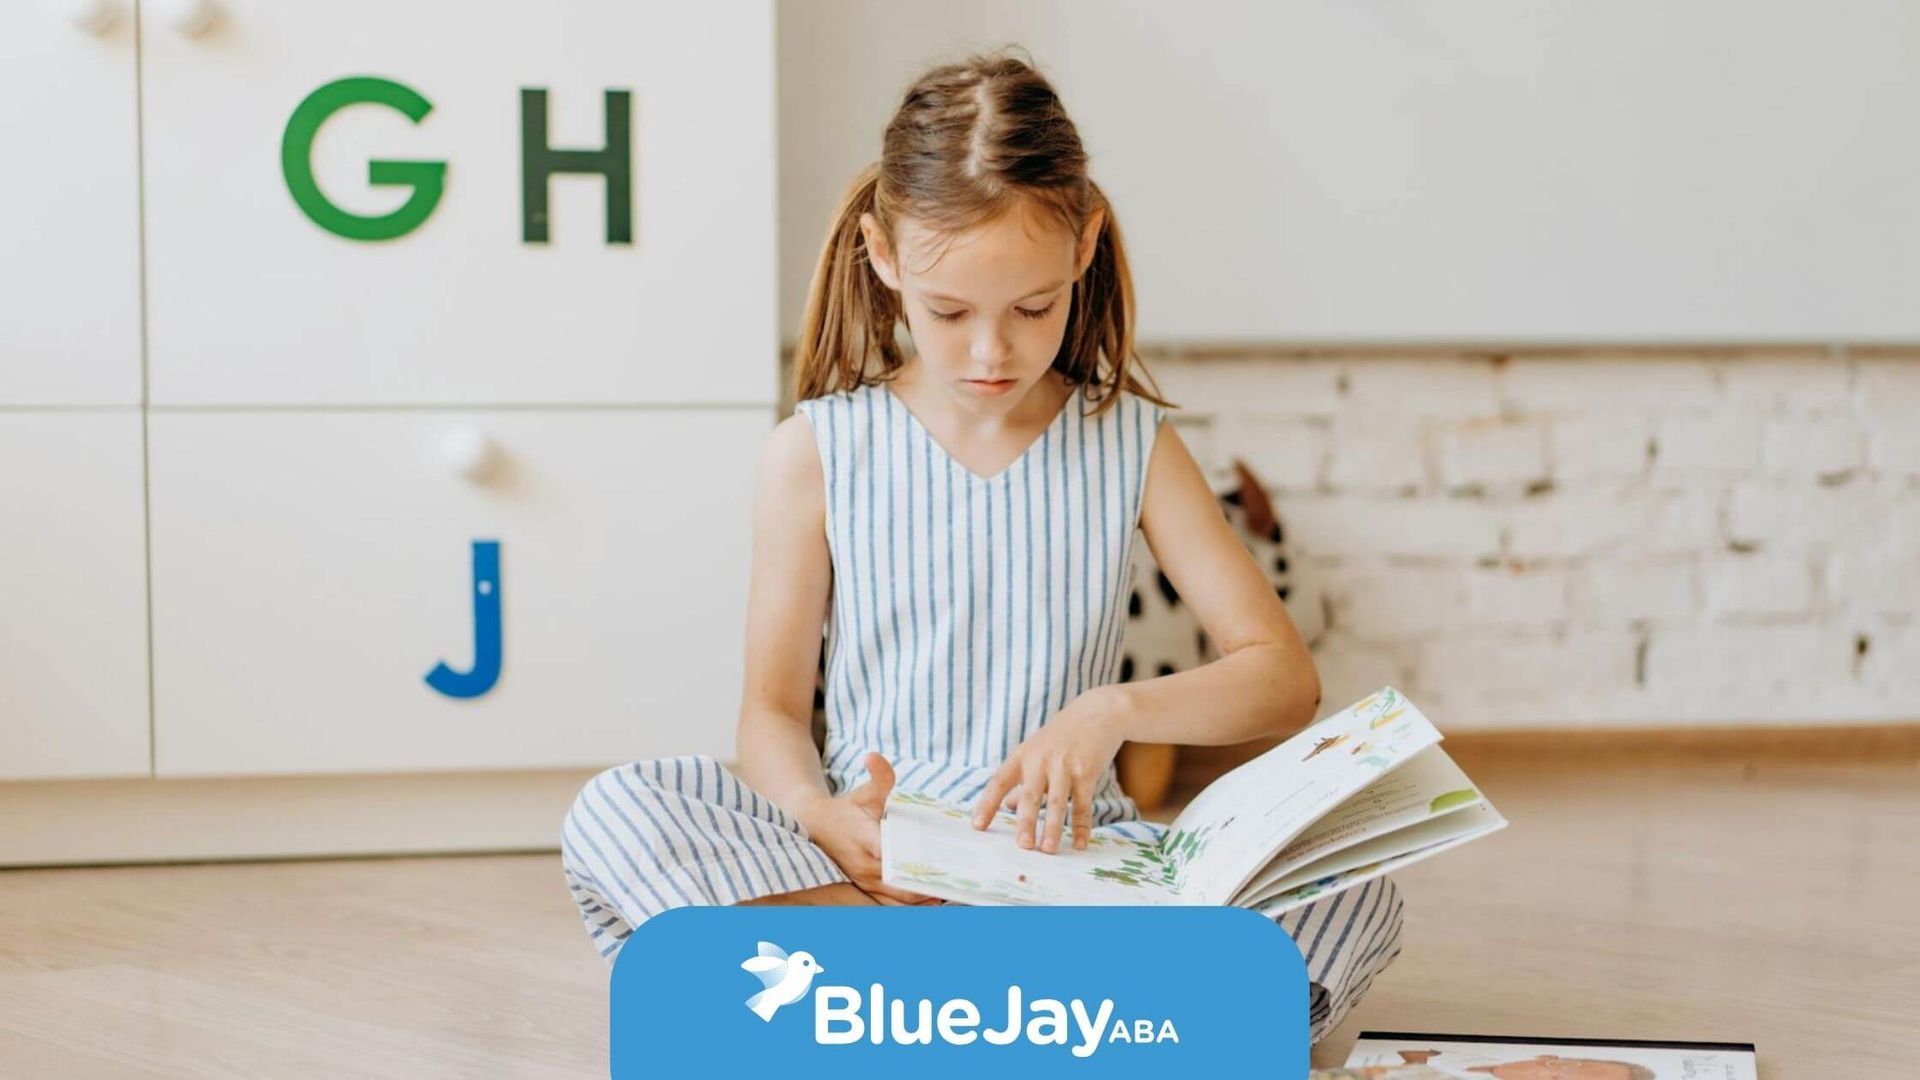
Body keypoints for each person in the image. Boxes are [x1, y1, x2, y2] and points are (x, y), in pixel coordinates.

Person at [559, 48, 1404, 1043]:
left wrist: (1114, 710)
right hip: (867, 874)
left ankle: (875, 1011)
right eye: (949, 312)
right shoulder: (815, 453)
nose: (989, 352)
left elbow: (1283, 680)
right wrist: (819, 815)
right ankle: (1063, 1017)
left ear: (1083, 248)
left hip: (1073, 870)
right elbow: (773, 713)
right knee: (621, 810)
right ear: (882, 256)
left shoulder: (1133, 444)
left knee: (1357, 889)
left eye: (1032, 310)